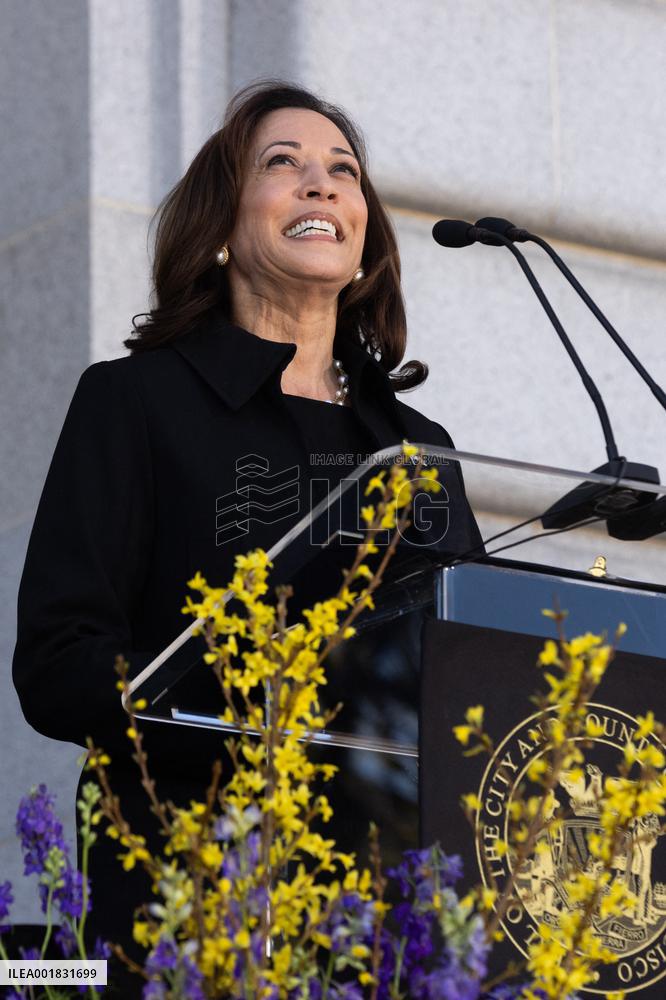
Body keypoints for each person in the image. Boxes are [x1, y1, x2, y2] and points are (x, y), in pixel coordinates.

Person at [12, 80, 482, 990]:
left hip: (389, 918)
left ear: (366, 244)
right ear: (222, 227)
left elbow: (474, 670)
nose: (322, 186)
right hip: (191, 895)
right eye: (284, 165)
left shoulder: (418, 453)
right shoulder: (136, 404)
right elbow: (59, 664)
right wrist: (242, 701)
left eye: (343, 173)